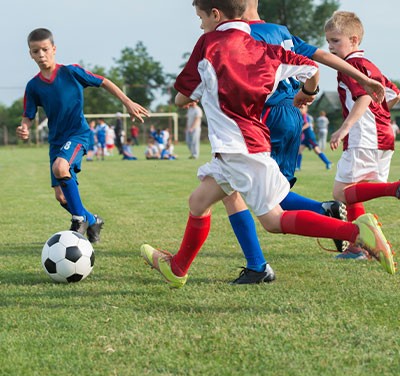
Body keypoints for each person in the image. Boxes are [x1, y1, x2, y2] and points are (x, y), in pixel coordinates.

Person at [139, 0, 395, 289]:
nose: (200, 24)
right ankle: (177, 268)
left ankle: (355, 234)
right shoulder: (267, 50)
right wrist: (314, 92)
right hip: (245, 144)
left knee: (274, 220)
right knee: (198, 202)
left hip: (240, 148)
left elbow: (181, 98)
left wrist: (196, 94)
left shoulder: (208, 43)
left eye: (200, 17)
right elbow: (312, 69)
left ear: (215, 14)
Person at [220, 0, 388, 284]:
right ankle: (326, 214)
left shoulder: (239, 34)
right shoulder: (281, 31)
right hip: (290, 113)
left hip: (265, 115)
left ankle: (258, 265)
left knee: (246, 194)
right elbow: (318, 59)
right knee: (267, 189)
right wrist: (323, 88)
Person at [16, 28, 149, 242]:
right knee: (60, 196)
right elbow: (28, 115)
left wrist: (128, 102)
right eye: (35, 51)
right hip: (56, 142)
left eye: (45, 49)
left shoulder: (71, 72)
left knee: (60, 167)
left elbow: (103, 81)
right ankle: (92, 219)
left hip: (78, 134)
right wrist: (24, 127)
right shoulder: (33, 86)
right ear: (30, 54)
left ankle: (79, 219)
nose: (41, 55)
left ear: (54, 49)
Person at [324, 11, 400, 260]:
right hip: (382, 136)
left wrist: (344, 127)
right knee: (354, 188)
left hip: (364, 136)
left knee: (340, 193)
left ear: (354, 40)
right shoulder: (370, 65)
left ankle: (395, 189)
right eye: (328, 42)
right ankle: (358, 246)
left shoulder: (352, 66)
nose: (330, 47)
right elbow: (393, 94)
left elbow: (365, 96)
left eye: (336, 41)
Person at [296, 104, 333, 170]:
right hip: (306, 137)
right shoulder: (302, 116)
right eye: (300, 108)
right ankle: (298, 167)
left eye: (303, 108)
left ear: (306, 109)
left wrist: (300, 129)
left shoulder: (305, 115)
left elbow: (307, 124)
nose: (301, 109)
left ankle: (328, 162)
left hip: (310, 137)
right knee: (299, 150)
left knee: (317, 150)